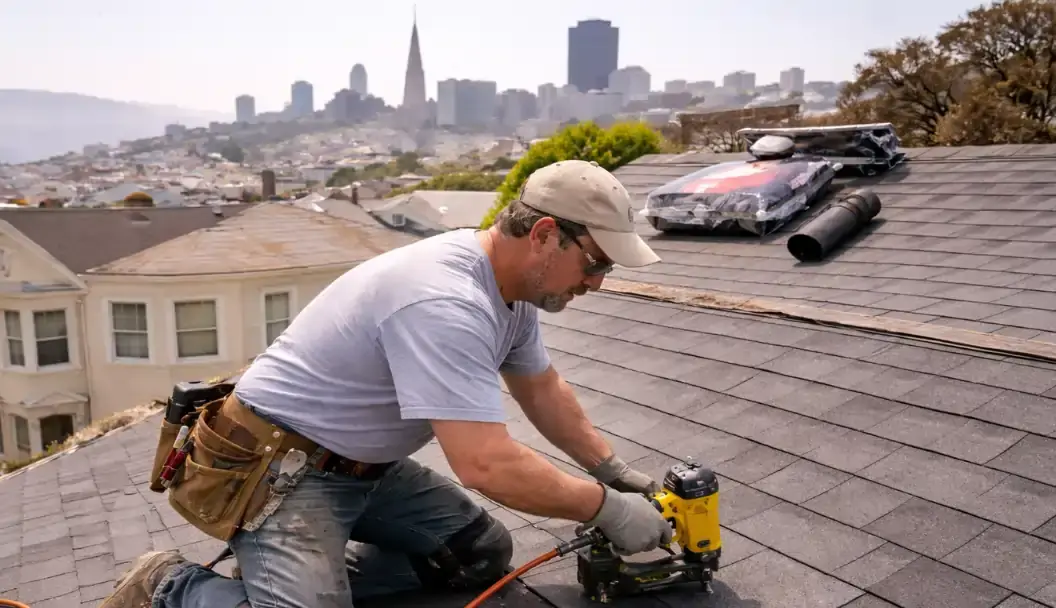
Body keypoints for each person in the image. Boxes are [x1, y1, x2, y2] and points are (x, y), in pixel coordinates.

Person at [100, 160, 670, 608]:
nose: (596, 282)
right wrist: (608, 511)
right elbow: (486, 464)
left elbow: (541, 387)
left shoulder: (511, 292)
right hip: (280, 471)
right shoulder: (445, 300)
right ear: (546, 234)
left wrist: (609, 470)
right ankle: (170, 587)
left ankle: (310, 579)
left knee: (479, 556)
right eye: (595, 263)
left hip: (362, 468)